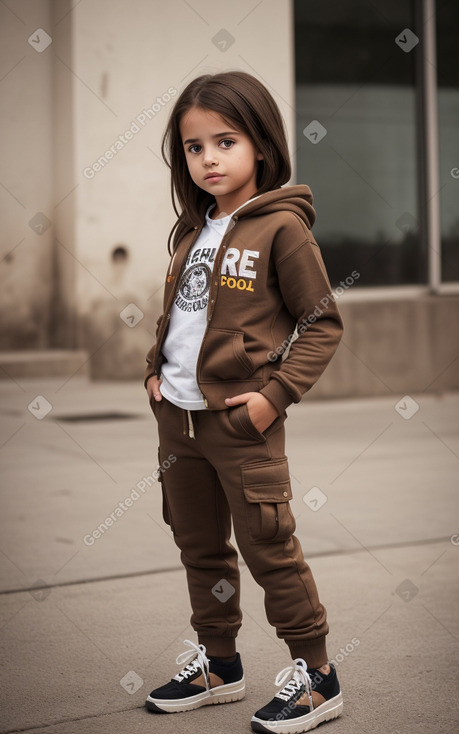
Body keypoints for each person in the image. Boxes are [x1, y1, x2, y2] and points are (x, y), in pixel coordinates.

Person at [143, 70, 344, 734]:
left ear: (259, 143)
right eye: (194, 147)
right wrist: (154, 374)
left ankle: (315, 675)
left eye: (223, 141)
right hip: (179, 422)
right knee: (198, 546)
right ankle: (219, 663)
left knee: (268, 546)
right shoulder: (189, 232)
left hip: (241, 423)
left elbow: (321, 323)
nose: (208, 159)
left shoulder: (281, 229)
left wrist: (271, 397)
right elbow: (177, 317)